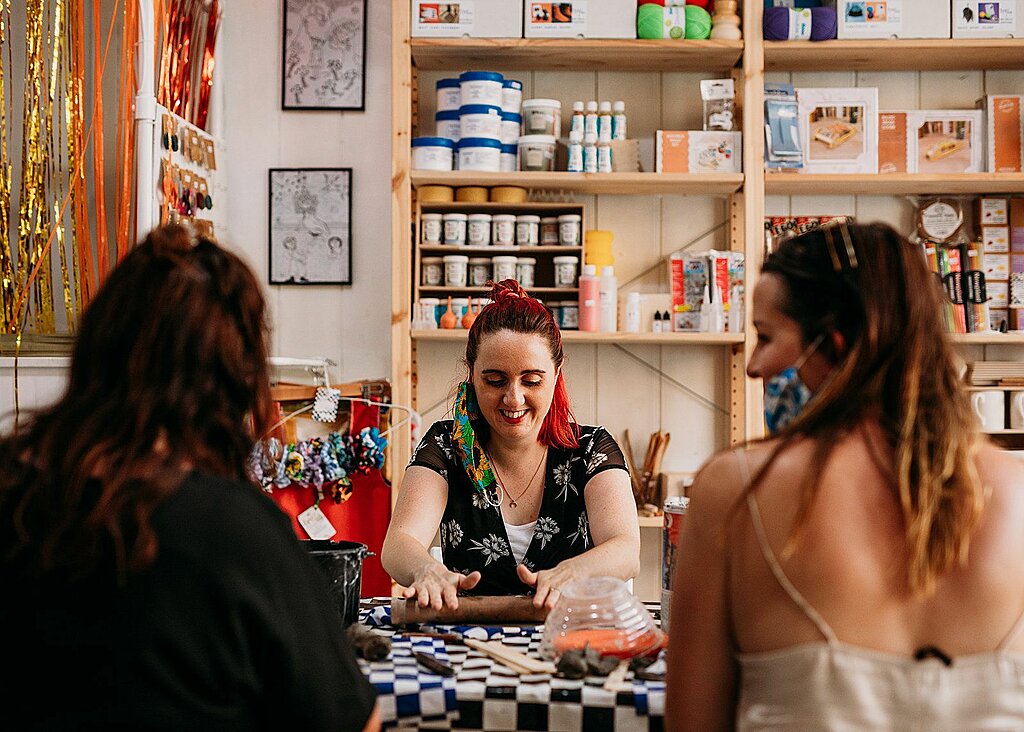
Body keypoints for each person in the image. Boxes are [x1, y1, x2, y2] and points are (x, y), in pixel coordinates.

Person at [0, 225, 380, 731]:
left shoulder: (11, 490)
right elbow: (354, 723)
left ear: (96, 350)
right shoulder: (234, 529)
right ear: (234, 378)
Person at [665, 221, 1024, 730]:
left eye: (766, 337)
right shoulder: (1018, 494)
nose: (753, 367)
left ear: (833, 345)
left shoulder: (735, 489)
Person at [382, 279, 640, 610]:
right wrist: (425, 570)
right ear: (472, 374)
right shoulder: (446, 447)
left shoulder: (591, 450)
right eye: (495, 381)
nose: (513, 398)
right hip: (466, 646)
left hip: (569, 645)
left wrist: (574, 571)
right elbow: (398, 545)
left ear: (556, 373)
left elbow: (626, 550)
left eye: (532, 381)